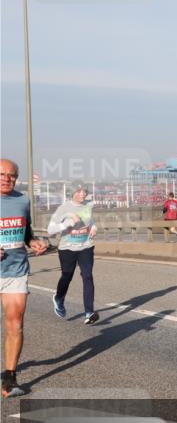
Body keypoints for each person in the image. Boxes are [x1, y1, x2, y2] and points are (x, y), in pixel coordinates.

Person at [0, 159, 48, 397]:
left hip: (15, 270)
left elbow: (26, 231)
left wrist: (34, 241)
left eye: (11, 175)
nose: (6, 178)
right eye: (2, 174)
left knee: (15, 322)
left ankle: (9, 379)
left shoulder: (22, 200)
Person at [48, 183, 100, 324]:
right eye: (79, 191)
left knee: (87, 276)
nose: (83, 194)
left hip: (86, 247)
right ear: (72, 193)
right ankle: (59, 298)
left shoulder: (87, 206)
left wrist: (94, 228)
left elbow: (91, 222)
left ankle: (89, 312)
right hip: (67, 248)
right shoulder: (64, 208)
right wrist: (68, 223)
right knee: (67, 276)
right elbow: (50, 230)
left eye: (85, 191)